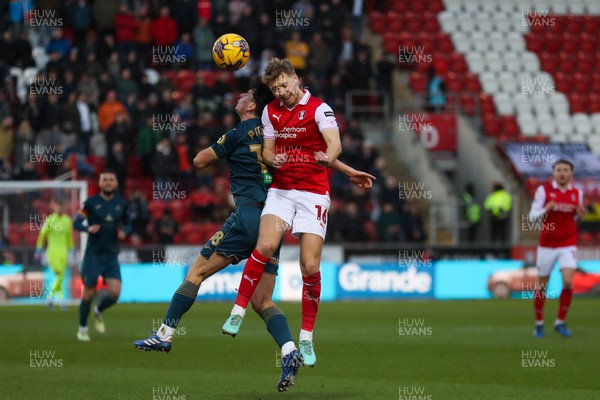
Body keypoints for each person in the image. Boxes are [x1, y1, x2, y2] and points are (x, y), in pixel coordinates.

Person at [134, 79, 373, 392]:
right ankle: (290, 351)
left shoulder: (238, 132)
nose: (241, 96)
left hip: (248, 216)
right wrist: (349, 170)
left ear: (251, 107)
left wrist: (220, 149)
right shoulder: (280, 131)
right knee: (262, 300)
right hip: (272, 218)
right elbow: (315, 154)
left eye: (245, 95)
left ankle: (164, 334)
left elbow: (199, 160)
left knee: (196, 272)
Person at [222, 58, 369, 367]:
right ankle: (237, 311)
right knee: (264, 246)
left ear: (296, 79)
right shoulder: (269, 111)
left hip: (314, 193)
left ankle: (306, 336)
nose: (281, 92)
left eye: (284, 85)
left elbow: (335, 144)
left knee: (310, 266)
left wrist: (328, 157)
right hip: (282, 191)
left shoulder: (319, 108)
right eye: (275, 89)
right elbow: (268, 150)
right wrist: (271, 158)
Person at [529, 160, 585, 338]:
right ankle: (539, 323)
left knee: (568, 282)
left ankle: (560, 321)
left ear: (571, 173)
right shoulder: (543, 191)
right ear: (553, 173)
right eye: (558, 170)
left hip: (568, 242)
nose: (562, 173)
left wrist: (580, 216)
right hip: (547, 244)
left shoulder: (577, 193)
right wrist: (545, 210)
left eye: (565, 170)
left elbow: (576, 220)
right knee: (542, 285)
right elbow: (531, 217)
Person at [73, 171, 131, 341]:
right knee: (89, 294)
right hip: (93, 255)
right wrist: (87, 229)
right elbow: (77, 222)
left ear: (116, 183)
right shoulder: (90, 203)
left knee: (115, 293)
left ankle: (98, 310)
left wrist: (125, 232)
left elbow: (128, 224)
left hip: (111, 255)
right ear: (99, 183)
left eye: (111, 179)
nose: (108, 182)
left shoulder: (121, 203)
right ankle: (82, 329)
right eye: (104, 179)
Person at [35, 199, 74, 309]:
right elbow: (42, 236)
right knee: (59, 275)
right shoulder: (50, 220)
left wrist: (72, 250)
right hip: (52, 251)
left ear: (65, 207)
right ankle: (52, 298)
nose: (60, 208)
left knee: (59, 276)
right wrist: (38, 250)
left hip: (64, 252)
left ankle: (59, 300)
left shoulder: (67, 220)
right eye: (58, 206)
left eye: (62, 206)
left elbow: (69, 237)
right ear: (54, 206)